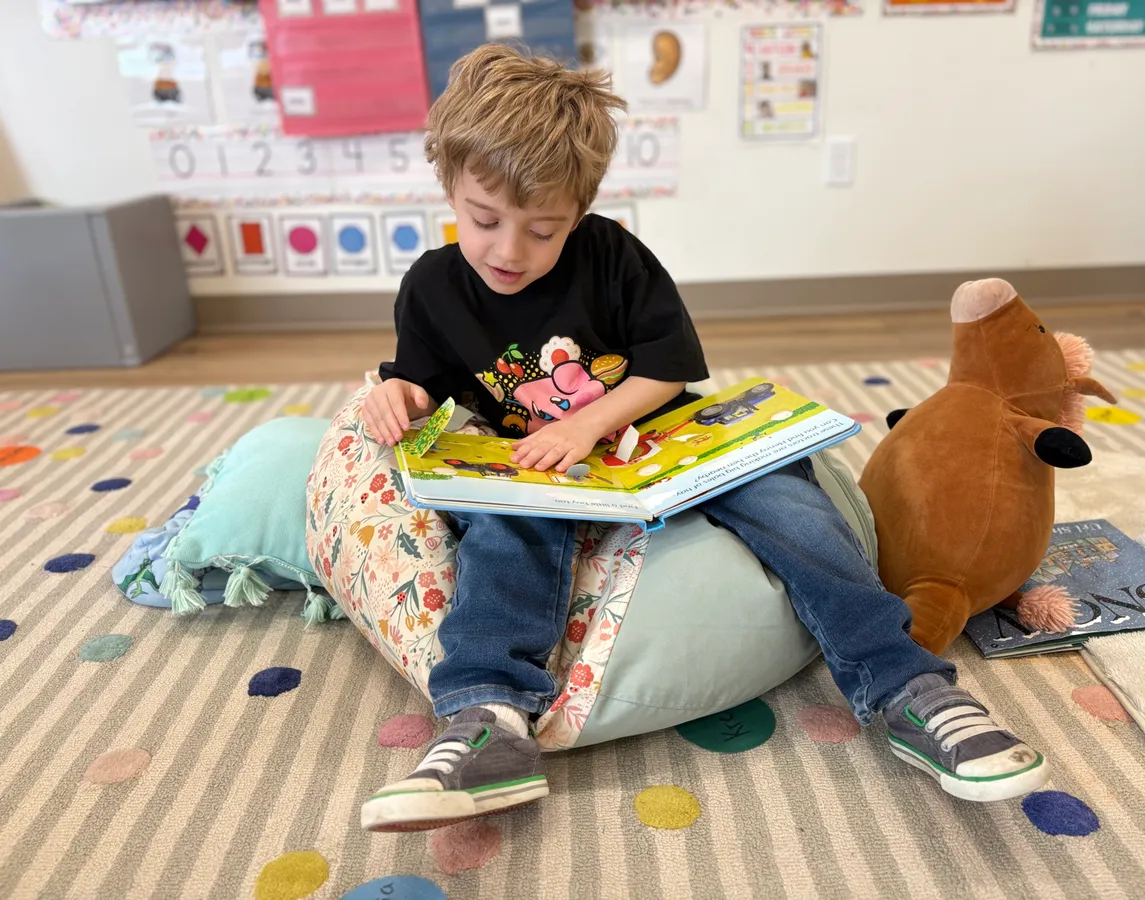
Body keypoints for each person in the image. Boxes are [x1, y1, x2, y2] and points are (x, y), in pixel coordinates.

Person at [359, 44, 1049, 833]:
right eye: (483, 221)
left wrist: (588, 421)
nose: (509, 250)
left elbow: (668, 365)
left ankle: (908, 687)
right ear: (447, 183)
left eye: (542, 230)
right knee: (499, 534)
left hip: (667, 442)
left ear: (577, 215)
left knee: (795, 506)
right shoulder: (431, 286)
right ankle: (487, 722)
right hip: (542, 474)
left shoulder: (612, 255)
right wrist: (396, 393)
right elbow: (421, 387)